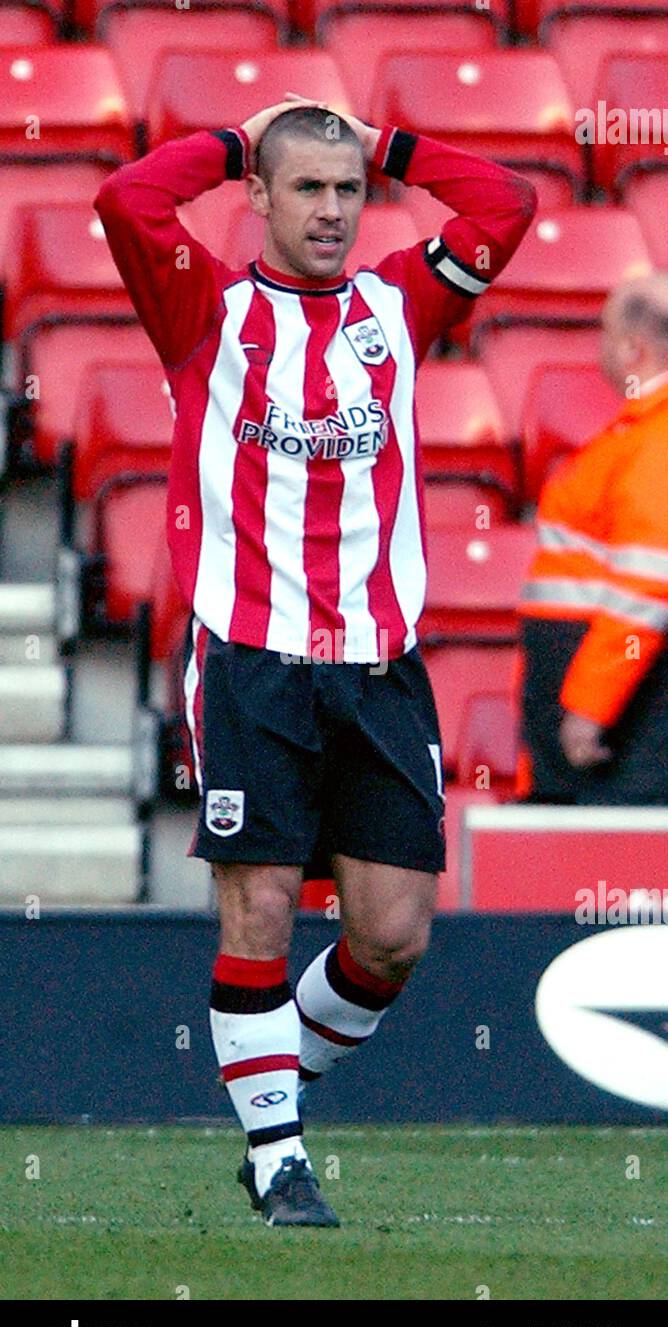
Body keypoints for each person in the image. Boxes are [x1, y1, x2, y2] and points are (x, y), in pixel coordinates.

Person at [95, 94, 535, 1227]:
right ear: (258, 197)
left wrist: (388, 141)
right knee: (258, 914)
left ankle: (268, 1094)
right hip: (252, 661)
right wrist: (237, 138)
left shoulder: (401, 301)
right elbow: (125, 198)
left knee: (391, 936)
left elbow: (506, 202)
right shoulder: (203, 309)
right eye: (307, 188)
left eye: (347, 191)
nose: (333, 210)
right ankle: (280, 1159)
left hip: (381, 668)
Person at [519, 273, 668, 805]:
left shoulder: (655, 440)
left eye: (604, 333)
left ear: (633, 347)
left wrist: (588, 707)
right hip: (615, 711)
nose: (597, 347)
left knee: (610, 868)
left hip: (627, 724)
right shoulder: (639, 433)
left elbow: (648, 585)